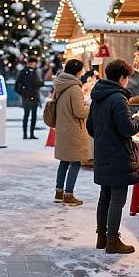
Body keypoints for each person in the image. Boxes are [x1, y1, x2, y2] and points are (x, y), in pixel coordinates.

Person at [88, 59, 139, 254]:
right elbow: (127, 128)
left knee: (105, 196)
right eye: (127, 77)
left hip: (103, 152)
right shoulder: (118, 99)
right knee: (117, 199)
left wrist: (105, 136)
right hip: (119, 154)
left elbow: (90, 126)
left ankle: (101, 237)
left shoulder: (98, 96)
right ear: (121, 77)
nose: (128, 81)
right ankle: (113, 240)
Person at [53, 59, 91, 206]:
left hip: (63, 127)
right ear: (77, 71)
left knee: (64, 161)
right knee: (75, 161)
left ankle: (59, 192)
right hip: (73, 130)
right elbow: (79, 112)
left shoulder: (60, 84)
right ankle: (69, 194)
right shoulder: (74, 88)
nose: (82, 73)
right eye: (81, 70)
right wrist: (90, 108)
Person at [15, 56, 43, 139]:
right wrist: (24, 93)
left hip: (33, 97)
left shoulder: (33, 72)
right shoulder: (24, 72)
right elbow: (18, 86)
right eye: (35, 63)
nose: (35, 65)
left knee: (32, 116)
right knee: (27, 115)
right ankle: (26, 134)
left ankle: (31, 133)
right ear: (31, 63)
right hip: (28, 97)